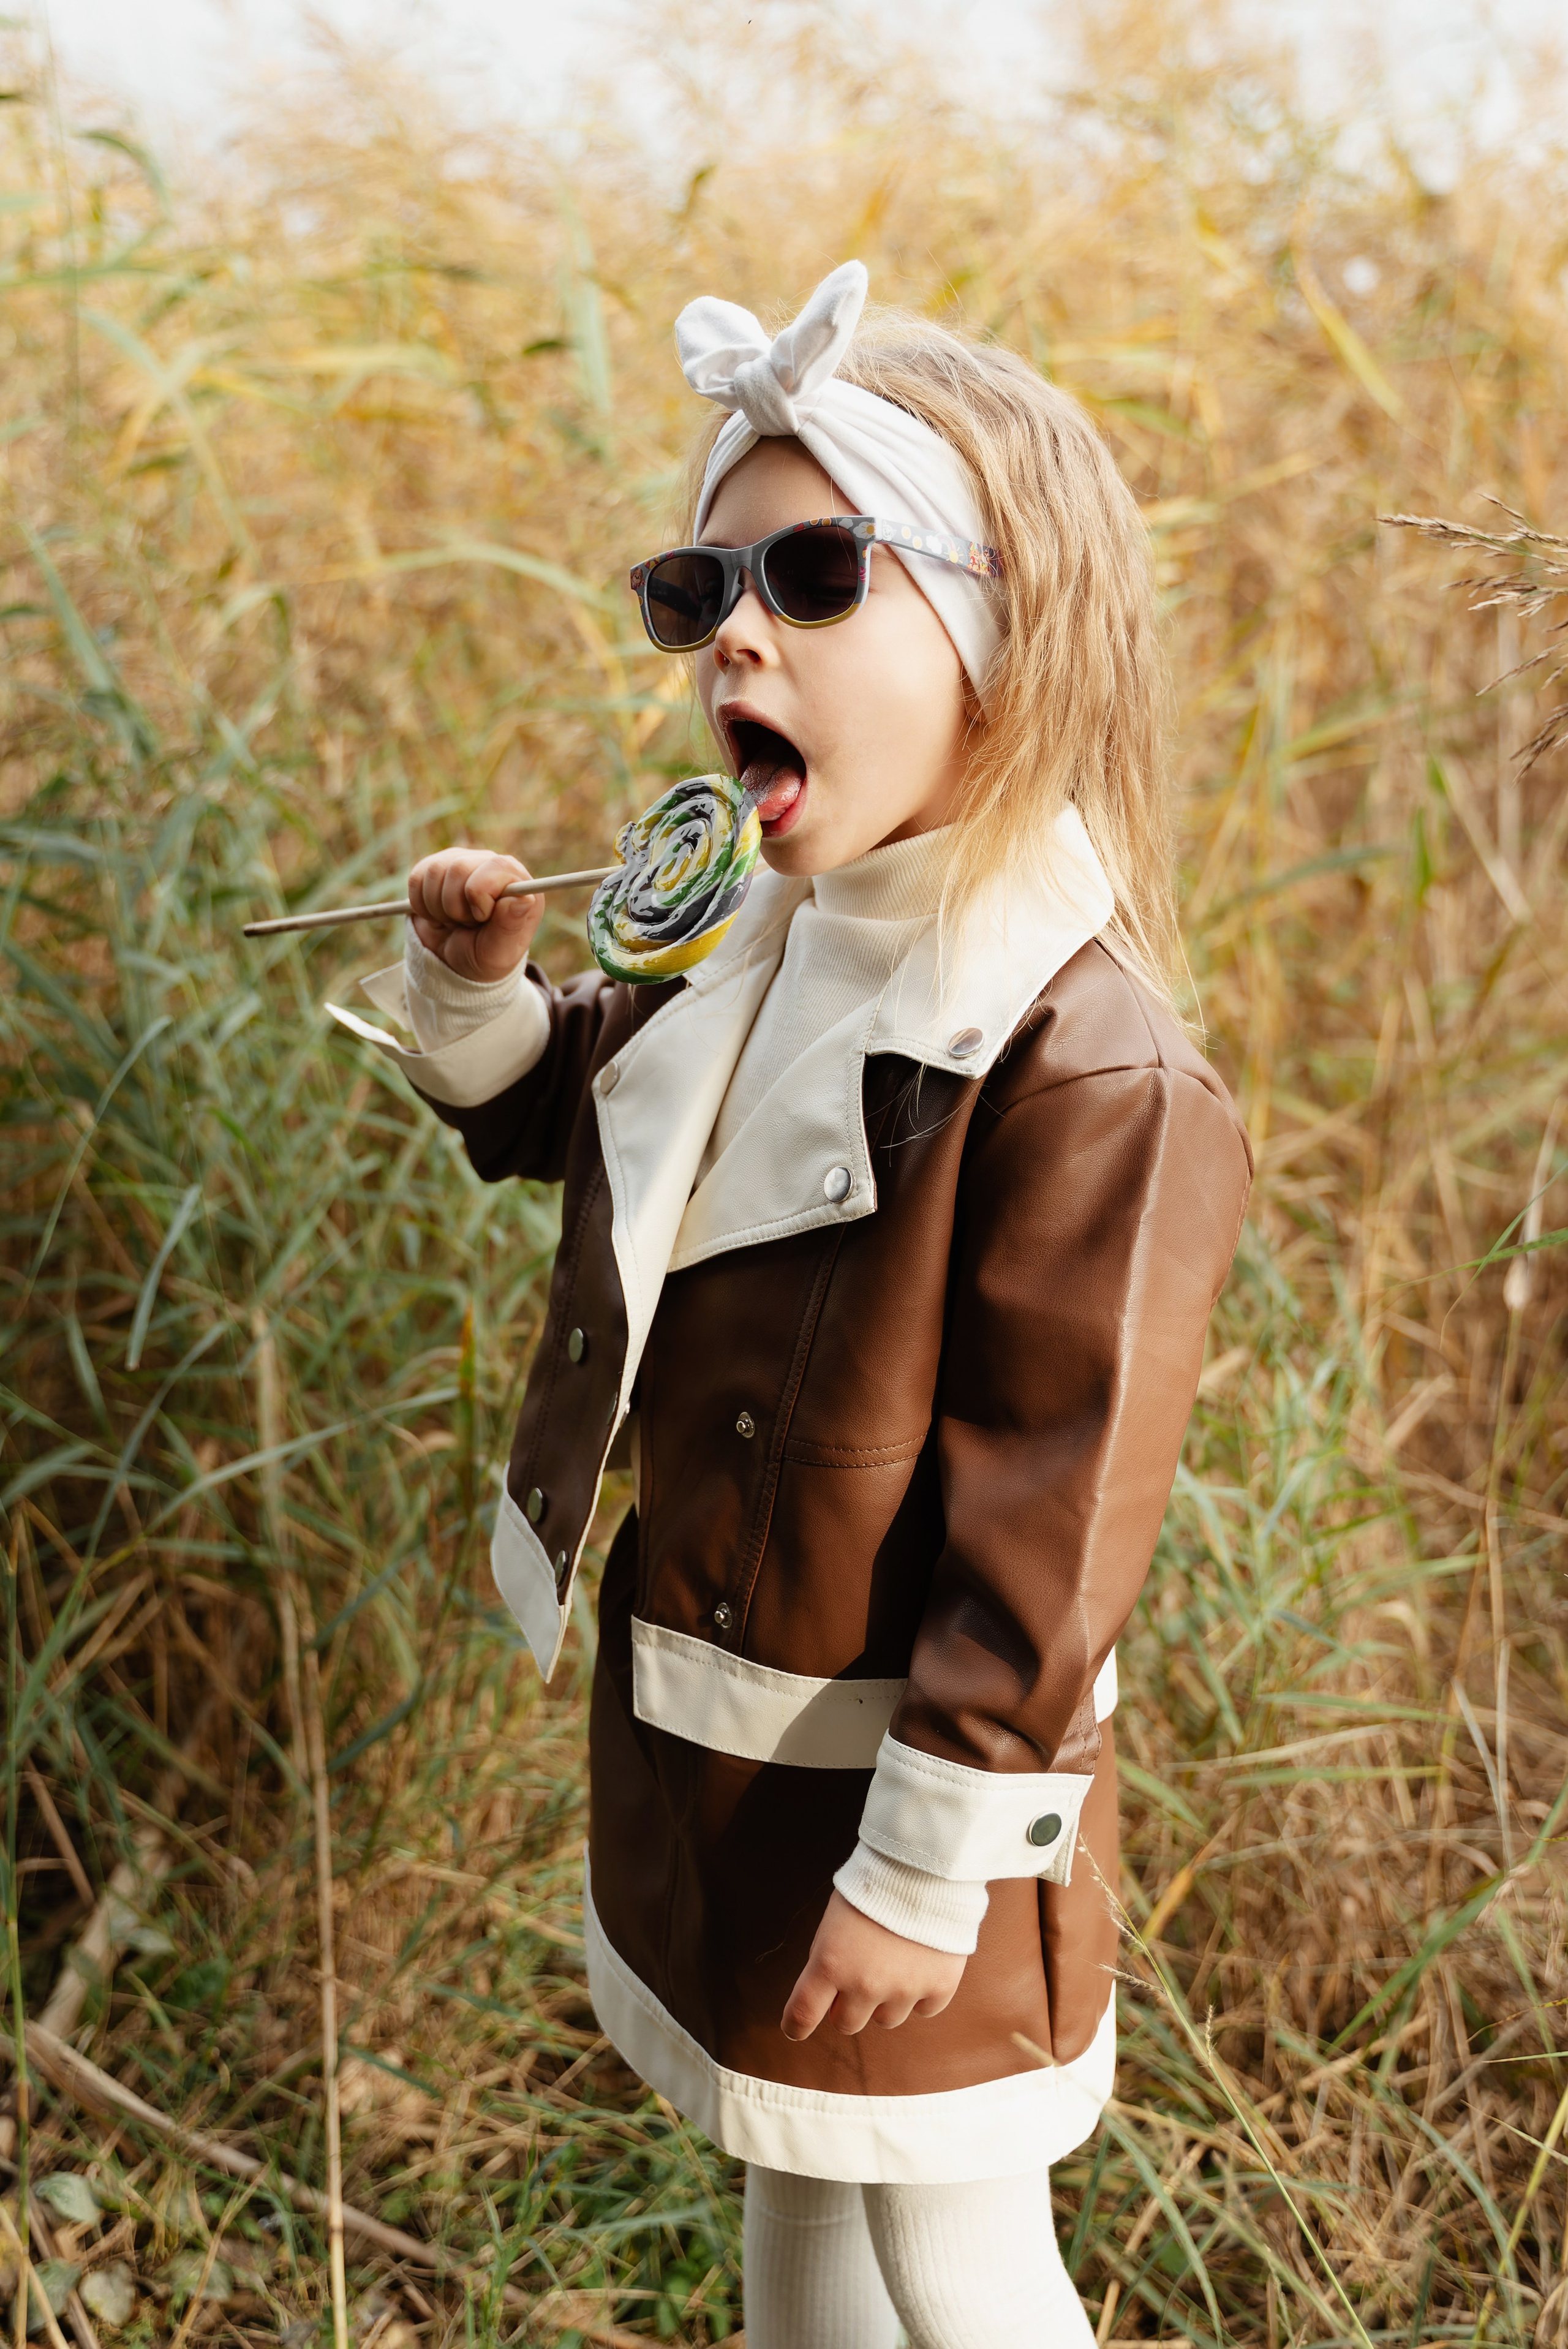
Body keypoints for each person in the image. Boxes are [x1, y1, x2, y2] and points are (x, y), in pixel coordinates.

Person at [328, 261, 1253, 2348]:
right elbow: (624, 1116)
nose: (736, 627)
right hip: (729, 1736)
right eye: (702, 587)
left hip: (909, 1777)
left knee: (956, 2243)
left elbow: (1060, 1509)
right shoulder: (764, 931)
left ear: (1003, 645)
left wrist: (935, 1863)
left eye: (820, 574)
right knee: (807, 2189)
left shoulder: (1079, 1055)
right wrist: (480, 1004)